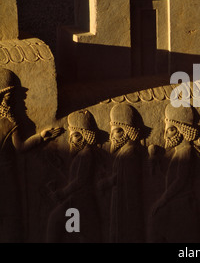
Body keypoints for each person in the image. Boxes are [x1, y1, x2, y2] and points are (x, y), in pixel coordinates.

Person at [0, 67, 62, 242]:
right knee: (12, 218)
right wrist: (42, 137)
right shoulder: (9, 122)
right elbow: (21, 147)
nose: (22, 103)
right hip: (7, 175)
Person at [148, 104, 200, 242]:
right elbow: (171, 179)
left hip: (182, 208)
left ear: (182, 130)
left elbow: (180, 180)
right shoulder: (178, 152)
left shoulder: (186, 151)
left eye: (171, 129)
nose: (165, 134)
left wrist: (162, 200)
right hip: (176, 206)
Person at [46, 110, 102, 243]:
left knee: (59, 223)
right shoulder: (81, 155)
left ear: (85, 135)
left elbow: (79, 181)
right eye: (71, 135)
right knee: (72, 231)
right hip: (75, 202)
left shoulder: (86, 154)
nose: (71, 139)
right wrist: (59, 168)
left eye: (75, 135)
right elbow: (74, 179)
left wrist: (62, 193)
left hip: (80, 203)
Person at [102, 104, 146, 243]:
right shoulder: (125, 152)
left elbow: (128, 182)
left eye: (115, 131)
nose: (111, 137)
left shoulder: (130, 153)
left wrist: (108, 182)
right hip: (121, 202)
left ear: (125, 131)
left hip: (126, 206)